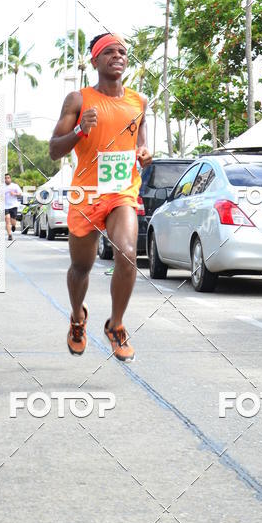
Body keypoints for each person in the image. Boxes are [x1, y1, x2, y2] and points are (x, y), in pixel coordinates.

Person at [49, 32, 153, 362]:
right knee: (82, 266)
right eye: (109, 52)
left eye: (123, 52)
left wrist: (144, 153)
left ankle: (116, 325)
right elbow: (54, 149)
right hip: (86, 193)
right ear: (95, 60)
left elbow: (140, 142)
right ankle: (78, 317)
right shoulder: (78, 100)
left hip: (122, 191)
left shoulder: (139, 102)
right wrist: (81, 130)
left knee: (126, 253)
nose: (118, 56)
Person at [4, 173, 22, 241]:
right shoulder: (1, 187)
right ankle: (9, 235)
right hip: (5, 206)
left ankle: (14, 226)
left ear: (10, 179)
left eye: (8, 178)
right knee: (7, 219)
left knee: (13, 221)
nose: (7, 179)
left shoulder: (15, 186)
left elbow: (20, 194)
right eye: (5, 178)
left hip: (14, 205)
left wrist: (14, 194)